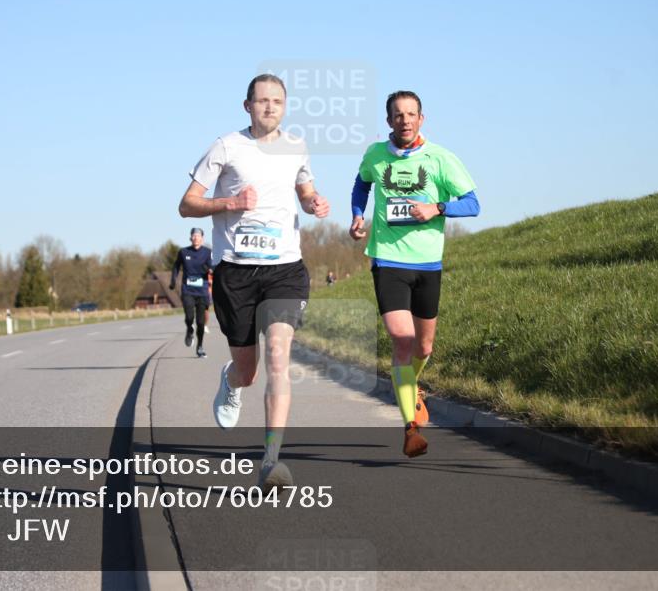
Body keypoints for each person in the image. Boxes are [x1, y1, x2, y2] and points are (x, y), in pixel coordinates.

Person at [178, 73, 330, 490]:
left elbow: (304, 189)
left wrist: (313, 201)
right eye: (261, 101)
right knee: (249, 371)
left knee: (279, 359)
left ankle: (271, 460)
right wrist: (229, 202)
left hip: (284, 268)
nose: (269, 108)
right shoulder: (226, 147)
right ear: (247, 106)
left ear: (285, 106)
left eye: (277, 101)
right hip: (236, 272)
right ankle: (231, 381)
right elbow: (186, 204)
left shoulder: (297, 146)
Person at [349, 90, 480, 458]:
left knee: (424, 347)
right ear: (388, 121)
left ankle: (412, 387)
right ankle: (410, 427)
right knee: (402, 340)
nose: (404, 120)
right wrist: (358, 215)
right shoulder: (375, 155)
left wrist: (437, 208)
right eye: (397, 115)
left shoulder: (441, 159)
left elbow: (473, 204)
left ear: (421, 119)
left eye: (411, 114)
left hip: (428, 265)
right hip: (387, 260)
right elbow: (362, 184)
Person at [170, 228, 213, 358]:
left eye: (198, 236)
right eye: (194, 236)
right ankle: (189, 330)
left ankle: (200, 347)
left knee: (200, 322)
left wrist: (210, 269)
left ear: (202, 239)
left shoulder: (207, 252)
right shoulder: (184, 252)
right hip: (188, 290)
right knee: (189, 317)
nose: (196, 238)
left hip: (202, 291)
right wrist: (173, 281)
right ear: (190, 238)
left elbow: (212, 266)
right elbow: (176, 266)